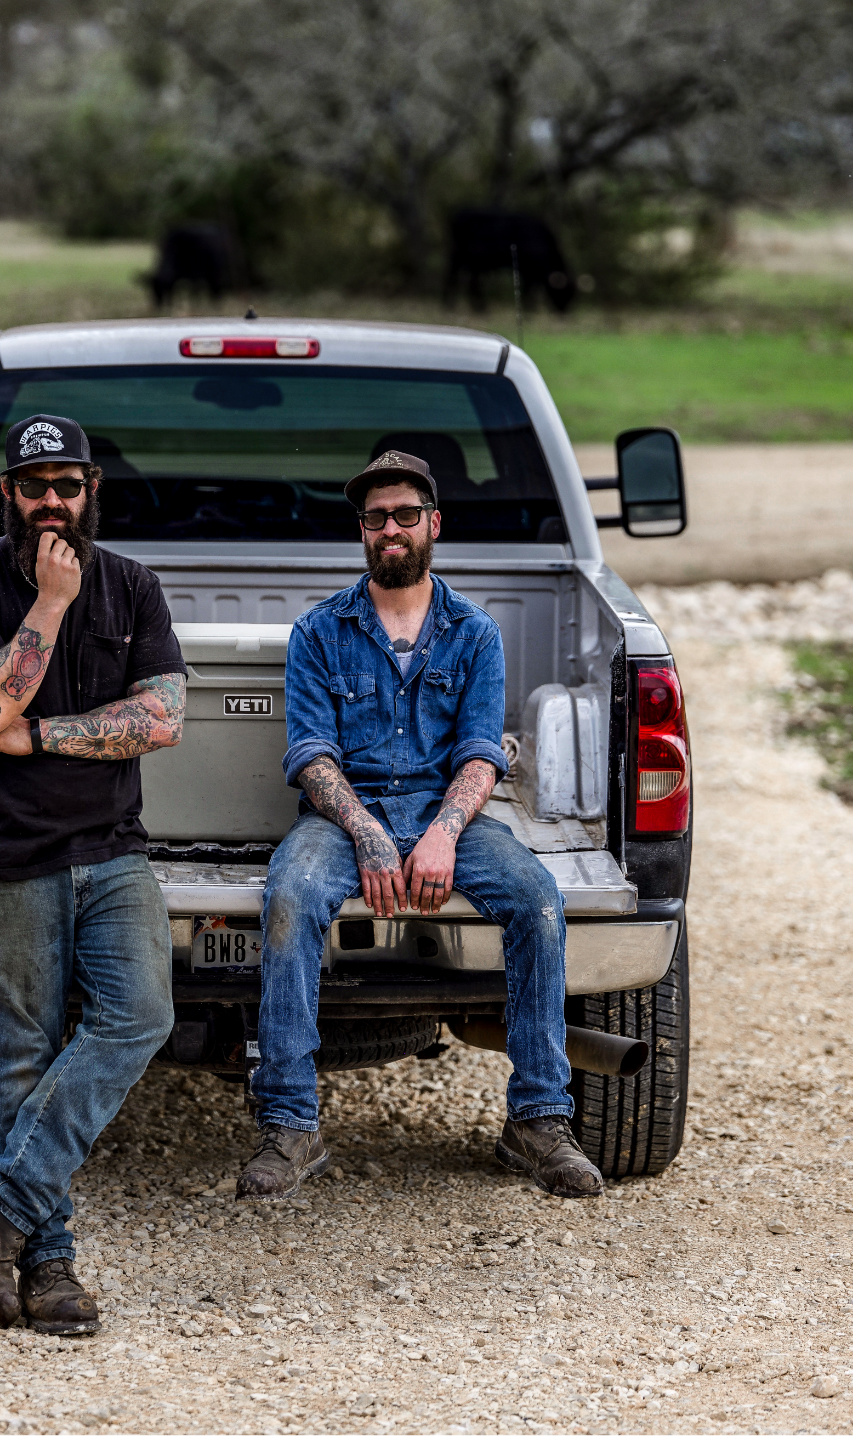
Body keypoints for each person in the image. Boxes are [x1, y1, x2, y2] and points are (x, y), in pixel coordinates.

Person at [236, 449, 603, 1201]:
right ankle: (290, 1123)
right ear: (362, 532)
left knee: (535, 900)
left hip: (451, 818)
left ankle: (537, 1120)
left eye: (406, 514)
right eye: (375, 518)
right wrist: (368, 832)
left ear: (433, 523)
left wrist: (439, 834)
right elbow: (309, 752)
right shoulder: (319, 630)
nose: (390, 528)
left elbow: (478, 751)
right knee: (290, 898)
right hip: (343, 817)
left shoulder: (473, 633)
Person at [0, 413, 186, 1335]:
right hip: (6, 860)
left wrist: (38, 735)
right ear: (7, 493)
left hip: (111, 851)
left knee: (142, 1013)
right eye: (34, 486)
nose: (51, 503)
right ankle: (50, 1267)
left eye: (67, 486)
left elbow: (159, 718)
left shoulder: (135, 586)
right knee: (21, 1058)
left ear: (91, 491)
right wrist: (46, 607)